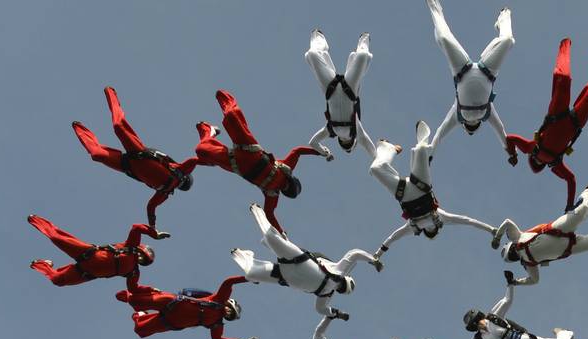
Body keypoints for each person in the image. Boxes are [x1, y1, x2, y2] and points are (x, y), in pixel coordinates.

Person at [194, 90, 330, 234]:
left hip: (236, 164)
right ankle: (225, 99)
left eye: (287, 190)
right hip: (249, 150)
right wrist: (320, 152)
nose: (285, 187)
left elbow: (269, 215)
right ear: (290, 181)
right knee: (232, 116)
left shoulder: (273, 194)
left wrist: (281, 232)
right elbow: (298, 151)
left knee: (201, 149)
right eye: (288, 186)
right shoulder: (285, 169)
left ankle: (208, 131)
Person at [368, 122, 498, 261]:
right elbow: (468, 221)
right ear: (437, 228)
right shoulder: (441, 217)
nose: (430, 229)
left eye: (428, 232)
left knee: (375, 169)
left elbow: (393, 238)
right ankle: (421, 142)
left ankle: (389, 148)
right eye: (433, 231)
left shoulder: (413, 227)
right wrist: (491, 230)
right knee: (422, 149)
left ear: (424, 232)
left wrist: (378, 254)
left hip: (403, 193)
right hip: (421, 187)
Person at [71, 87, 197, 231]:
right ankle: (111, 93)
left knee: (96, 155)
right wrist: (210, 156)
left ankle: (79, 127)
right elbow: (194, 160)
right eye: (183, 182)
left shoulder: (164, 192)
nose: (180, 183)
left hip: (128, 166)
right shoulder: (178, 170)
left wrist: (152, 227)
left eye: (181, 186)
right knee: (118, 126)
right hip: (138, 152)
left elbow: (150, 207)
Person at [505, 39, 588, 210]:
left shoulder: (532, 147)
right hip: (574, 123)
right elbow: (571, 180)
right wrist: (568, 205)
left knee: (563, 78)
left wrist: (513, 154)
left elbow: (510, 139)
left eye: (536, 161)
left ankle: (565, 44)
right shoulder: (554, 163)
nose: (539, 161)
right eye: (539, 162)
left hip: (557, 116)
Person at [232, 203, 379, 320]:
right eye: (342, 284)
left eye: (341, 288)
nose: (339, 285)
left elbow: (320, 310)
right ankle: (257, 210)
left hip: (285, 275)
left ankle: (244, 254)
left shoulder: (325, 295)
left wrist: (336, 314)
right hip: (297, 259)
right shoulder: (339, 271)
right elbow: (354, 254)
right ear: (345, 278)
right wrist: (372, 259)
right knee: (271, 238)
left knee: (251, 273)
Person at [426, 0, 514, 154]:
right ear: (479, 123)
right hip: (487, 71)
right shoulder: (487, 113)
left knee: (444, 38)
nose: (471, 122)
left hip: (462, 70)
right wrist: (509, 150)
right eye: (474, 125)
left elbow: (440, 133)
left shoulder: (457, 115)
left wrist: (430, 153)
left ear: (465, 124)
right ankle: (503, 17)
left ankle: (433, 4)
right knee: (508, 41)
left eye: (469, 125)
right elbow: (500, 129)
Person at [493, 177, 588, 286]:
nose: (514, 254)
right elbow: (534, 281)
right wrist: (515, 282)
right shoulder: (530, 264)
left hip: (557, 230)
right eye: (512, 257)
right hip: (569, 247)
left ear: (511, 246)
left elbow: (507, 222)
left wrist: (497, 238)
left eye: (511, 252)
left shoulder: (518, 238)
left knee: (582, 210)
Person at [453, 279, 573, 339]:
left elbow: (507, 300)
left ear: (481, 316)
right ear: (473, 327)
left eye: (479, 321)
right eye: (476, 324)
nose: (480, 324)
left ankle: (563, 333)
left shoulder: (493, 317)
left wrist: (510, 284)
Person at [27, 216, 160, 287]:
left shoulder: (133, 272)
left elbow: (133, 289)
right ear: (140, 249)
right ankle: (35, 219)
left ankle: (42, 264)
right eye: (142, 255)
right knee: (57, 238)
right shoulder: (130, 246)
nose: (139, 258)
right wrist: (153, 233)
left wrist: (149, 292)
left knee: (58, 280)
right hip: (87, 254)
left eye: (143, 260)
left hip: (86, 273)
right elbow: (137, 228)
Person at [115, 274, 246, 339]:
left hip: (170, 322)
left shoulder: (217, 324)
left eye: (231, 315)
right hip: (172, 303)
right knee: (135, 300)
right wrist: (248, 278)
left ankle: (139, 315)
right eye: (231, 310)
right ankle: (135, 294)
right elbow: (229, 282)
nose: (229, 313)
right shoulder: (219, 299)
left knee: (140, 330)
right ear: (228, 304)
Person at [305, 30, 375, 158]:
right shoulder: (356, 131)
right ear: (353, 141)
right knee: (363, 55)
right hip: (349, 90)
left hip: (330, 89)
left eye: (344, 145)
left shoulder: (331, 130)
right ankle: (364, 38)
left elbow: (313, 143)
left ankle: (320, 40)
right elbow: (369, 146)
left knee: (313, 54)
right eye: (348, 144)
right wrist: (377, 160)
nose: (345, 141)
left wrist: (325, 152)